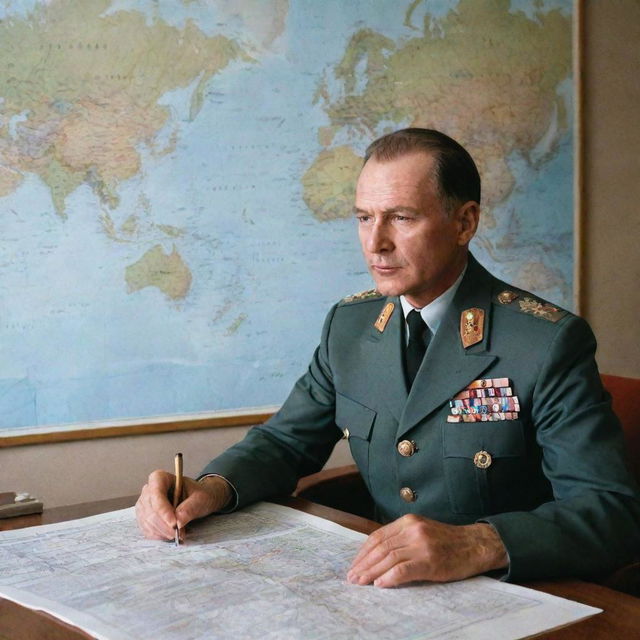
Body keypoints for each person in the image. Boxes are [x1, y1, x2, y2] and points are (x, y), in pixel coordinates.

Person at [136, 128, 640, 586]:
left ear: (464, 222)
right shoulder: (350, 326)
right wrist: (209, 488)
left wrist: (480, 542)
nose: (375, 243)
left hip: (509, 594)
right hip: (381, 593)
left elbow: (611, 514)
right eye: (363, 218)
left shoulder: (545, 342)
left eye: (401, 217)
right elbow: (286, 443)